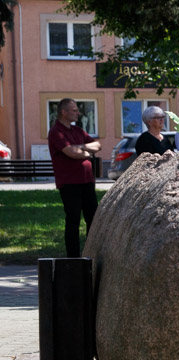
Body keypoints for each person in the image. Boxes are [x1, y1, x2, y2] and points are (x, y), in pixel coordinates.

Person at [47, 98, 101, 257]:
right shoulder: (56, 132)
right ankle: (74, 258)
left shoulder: (77, 131)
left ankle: (93, 253)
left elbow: (98, 145)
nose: (78, 113)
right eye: (75, 110)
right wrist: (87, 153)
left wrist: (83, 147)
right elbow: (71, 153)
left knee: (93, 219)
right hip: (70, 183)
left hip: (87, 181)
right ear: (64, 112)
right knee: (73, 221)